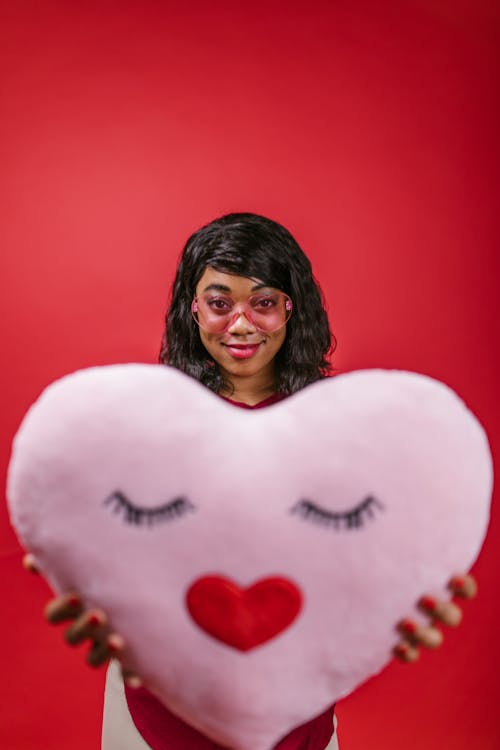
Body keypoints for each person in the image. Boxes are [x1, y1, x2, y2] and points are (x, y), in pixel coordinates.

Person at [25, 213, 478, 750]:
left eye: (263, 303)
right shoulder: (151, 420)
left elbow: (363, 545)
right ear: (192, 310)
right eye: (220, 304)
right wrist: (84, 570)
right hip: (157, 701)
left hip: (294, 708)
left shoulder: (334, 426)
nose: (241, 325)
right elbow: (113, 534)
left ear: (291, 308)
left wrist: (399, 594)